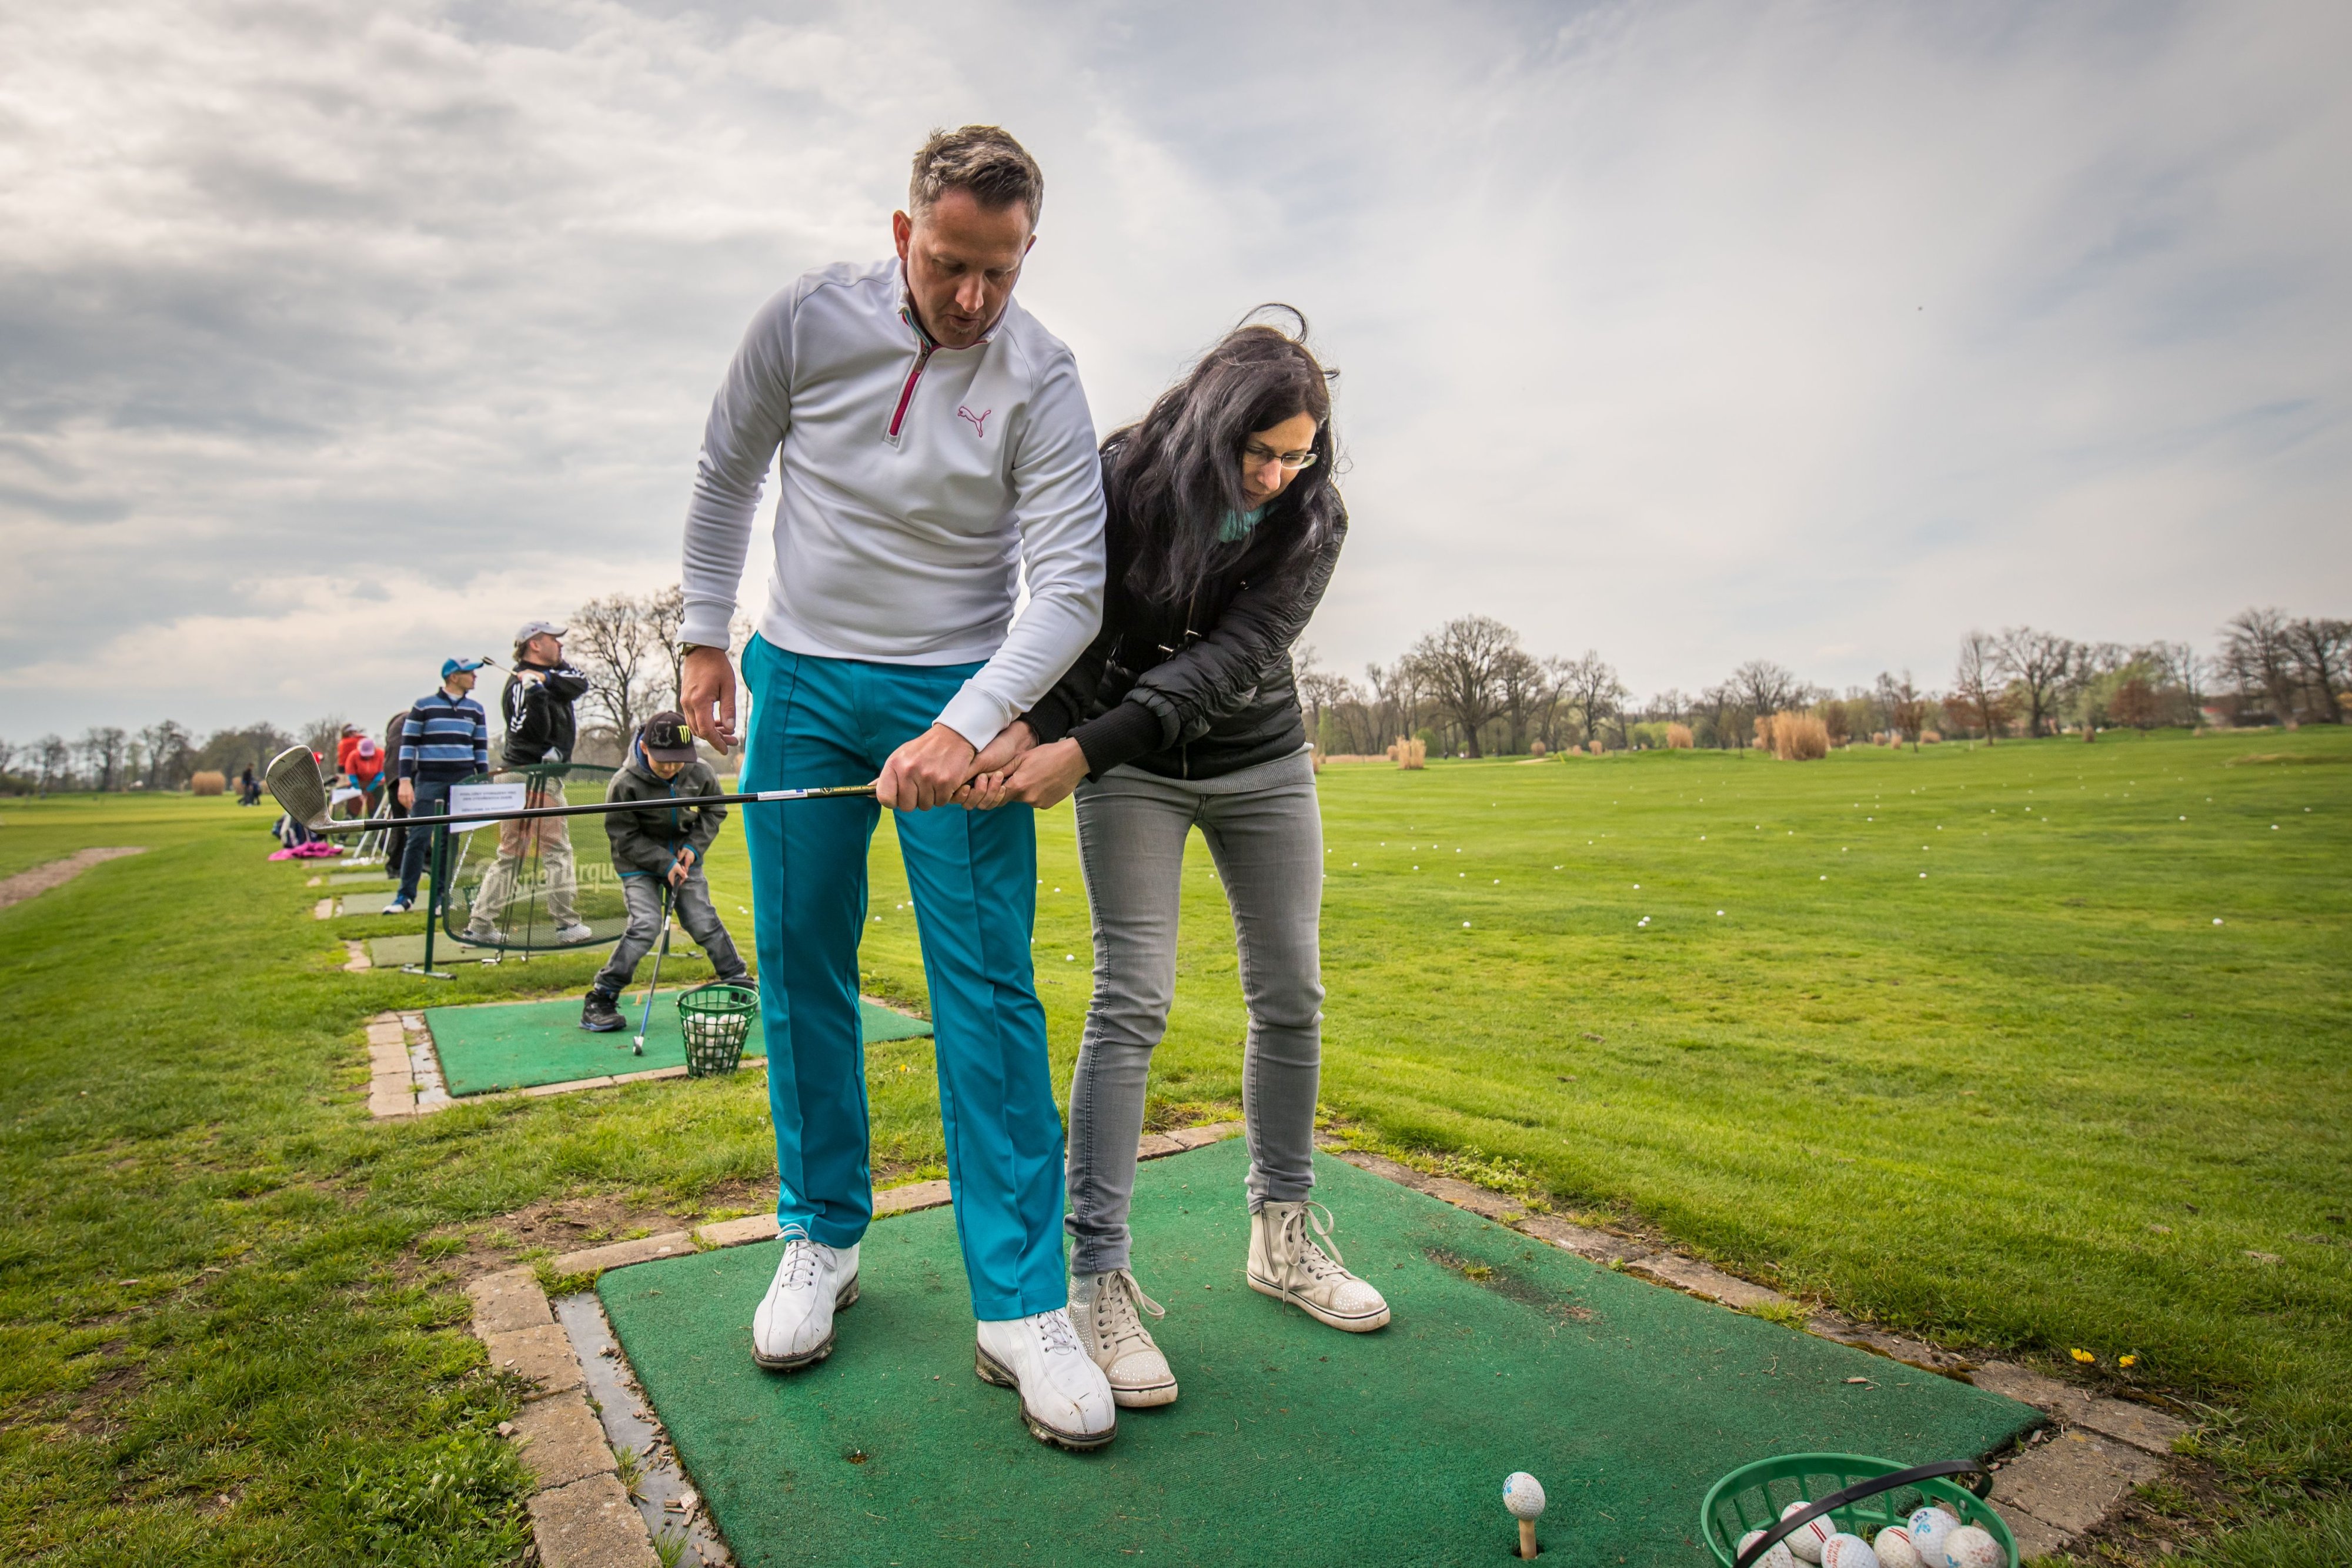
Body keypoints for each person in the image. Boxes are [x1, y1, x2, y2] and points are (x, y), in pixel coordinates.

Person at [674, 126, 1114, 1449]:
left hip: (958, 686)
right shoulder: (806, 318)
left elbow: (1071, 591)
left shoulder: (1043, 377)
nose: (973, 298)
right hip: (802, 677)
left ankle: (1023, 1302)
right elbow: (725, 473)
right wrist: (704, 633)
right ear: (901, 234)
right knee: (801, 959)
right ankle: (820, 1234)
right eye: (949, 264)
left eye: (1001, 270)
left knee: (986, 985)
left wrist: (967, 725)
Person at [965, 312, 1385, 1411]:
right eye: (1262, 452)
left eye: (1299, 454)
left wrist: (1077, 751)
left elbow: (1232, 660)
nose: (1279, 475)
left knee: (1290, 992)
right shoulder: (1126, 481)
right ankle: (1095, 1278)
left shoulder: (1315, 515)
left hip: (1260, 762)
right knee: (1133, 997)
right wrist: (1027, 729)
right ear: (1213, 426)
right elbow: (1084, 631)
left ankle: (1282, 1236)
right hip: (1135, 772)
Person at [582, 713, 752, 1031]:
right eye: (664, 761)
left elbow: (714, 810)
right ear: (645, 748)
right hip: (638, 864)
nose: (672, 767)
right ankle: (601, 997)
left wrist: (694, 848)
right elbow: (623, 836)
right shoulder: (625, 783)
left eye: (679, 759)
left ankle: (738, 981)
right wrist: (665, 863)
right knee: (645, 925)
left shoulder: (699, 772)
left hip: (685, 858)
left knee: (702, 920)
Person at [466, 623, 594, 943]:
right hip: (529, 775)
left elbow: (581, 683)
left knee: (514, 854)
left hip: (534, 776)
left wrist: (546, 680)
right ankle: (567, 925)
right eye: (553, 640)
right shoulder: (518, 685)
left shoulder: (556, 673)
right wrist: (536, 694)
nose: (560, 645)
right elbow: (530, 733)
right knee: (551, 851)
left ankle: (480, 925)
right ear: (535, 644)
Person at [385, 658, 490, 915]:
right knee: (418, 838)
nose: (475, 677)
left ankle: (441, 898)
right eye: (469, 673)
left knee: (448, 841)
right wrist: (405, 781)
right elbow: (408, 747)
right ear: (453, 677)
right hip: (429, 781)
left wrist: (483, 782)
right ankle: (405, 897)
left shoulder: (476, 710)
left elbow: (480, 750)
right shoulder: (424, 706)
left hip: (462, 782)